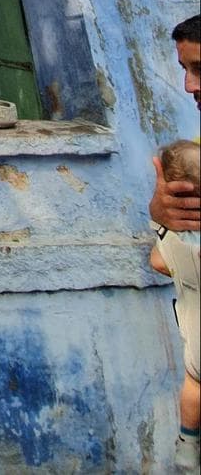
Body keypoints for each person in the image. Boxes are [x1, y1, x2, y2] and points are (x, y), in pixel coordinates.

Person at [150, 139, 200, 472]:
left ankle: (187, 444)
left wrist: (161, 227)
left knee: (194, 386)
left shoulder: (174, 239)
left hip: (195, 341)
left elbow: (156, 262)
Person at [149, 15, 201, 233]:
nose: (188, 86)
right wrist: (161, 217)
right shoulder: (195, 153)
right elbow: (162, 261)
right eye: (184, 69)